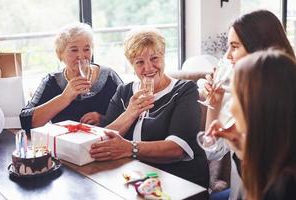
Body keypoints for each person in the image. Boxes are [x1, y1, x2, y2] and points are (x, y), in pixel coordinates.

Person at [89, 28, 209, 187]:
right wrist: (130, 113)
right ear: (132, 65)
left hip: (179, 182)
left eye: (154, 58)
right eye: (139, 62)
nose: (149, 68)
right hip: (134, 180)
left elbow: (177, 148)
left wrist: (129, 148)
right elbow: (101, 140)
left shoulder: (184, 90)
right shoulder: (124, 92)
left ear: (164, 57)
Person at [202, 10, 295, 200]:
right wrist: (215, 105)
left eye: (234, 46)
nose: (228, 56)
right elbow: (213, 150)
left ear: (260, 49)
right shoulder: (242, 90)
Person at [19, 23, 123, 133]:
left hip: (103, 145)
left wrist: (104, 119)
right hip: (64, 146)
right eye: (74, 50)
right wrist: (65, 97)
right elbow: (26, 121)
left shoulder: (109, 76)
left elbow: (130, 113)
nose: (81, 55)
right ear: (60, 54)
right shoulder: (52, 81)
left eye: (86, 49)